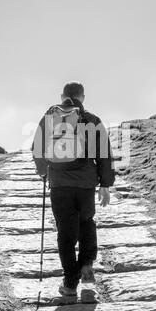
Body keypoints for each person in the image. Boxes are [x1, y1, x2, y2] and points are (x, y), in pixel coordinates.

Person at [32, 82, 115, 297]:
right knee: (86, 222)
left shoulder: (49, 117)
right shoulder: (92, 120)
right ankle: (87, 263)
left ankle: (70, 282)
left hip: (60, 184)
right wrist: (105, 184)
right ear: (83, 97)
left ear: (62, 96)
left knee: (65, 232)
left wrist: (44, 172)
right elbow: (104, 152)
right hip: (86, 184)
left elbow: (37, 148)